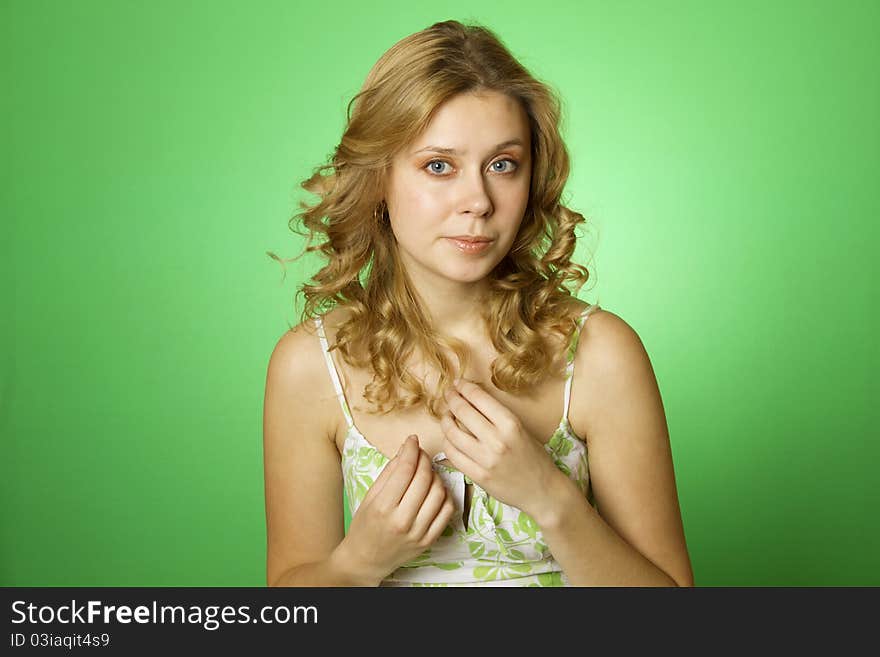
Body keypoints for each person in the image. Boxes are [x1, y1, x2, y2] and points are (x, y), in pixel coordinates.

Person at [263, 19, 694, 587]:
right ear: (379, 181)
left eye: (502, 165)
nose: (478, 201)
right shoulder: (311, 365)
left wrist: (549, 496)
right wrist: (358, 562)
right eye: (438, 166)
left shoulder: (600, 353)